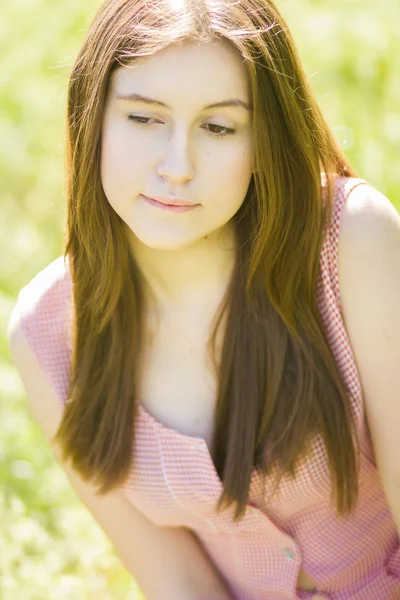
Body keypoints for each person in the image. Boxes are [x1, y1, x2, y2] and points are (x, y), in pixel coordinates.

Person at [7, 0, 400, 598]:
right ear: (93, 115)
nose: (177, 166)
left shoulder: (350, 241)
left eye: (219, 127)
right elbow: (176, 580)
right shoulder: (49, 332)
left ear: (262, 140)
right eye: (144, 119)